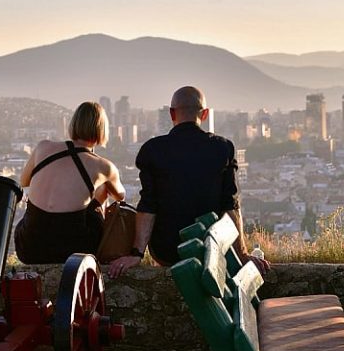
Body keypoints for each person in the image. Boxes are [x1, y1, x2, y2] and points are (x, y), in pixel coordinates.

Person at [108, 86, 270, 278]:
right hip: (210, 248)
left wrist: (136, 254)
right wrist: (241, 253)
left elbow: (148, 205)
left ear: (171, 114)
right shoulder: (222, 148)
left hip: (167, 251)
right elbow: (231, 204)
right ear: (205, 114)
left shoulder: (152, 150)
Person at [14, 101, 125, 264]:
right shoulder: (104, 167)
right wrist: (98, 191)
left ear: (73, 124)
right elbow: (120, 197)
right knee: (102, 189)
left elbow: (24, 181)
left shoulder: (43, 147)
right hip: (72, 251)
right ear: (102, 130)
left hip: (29, 247)